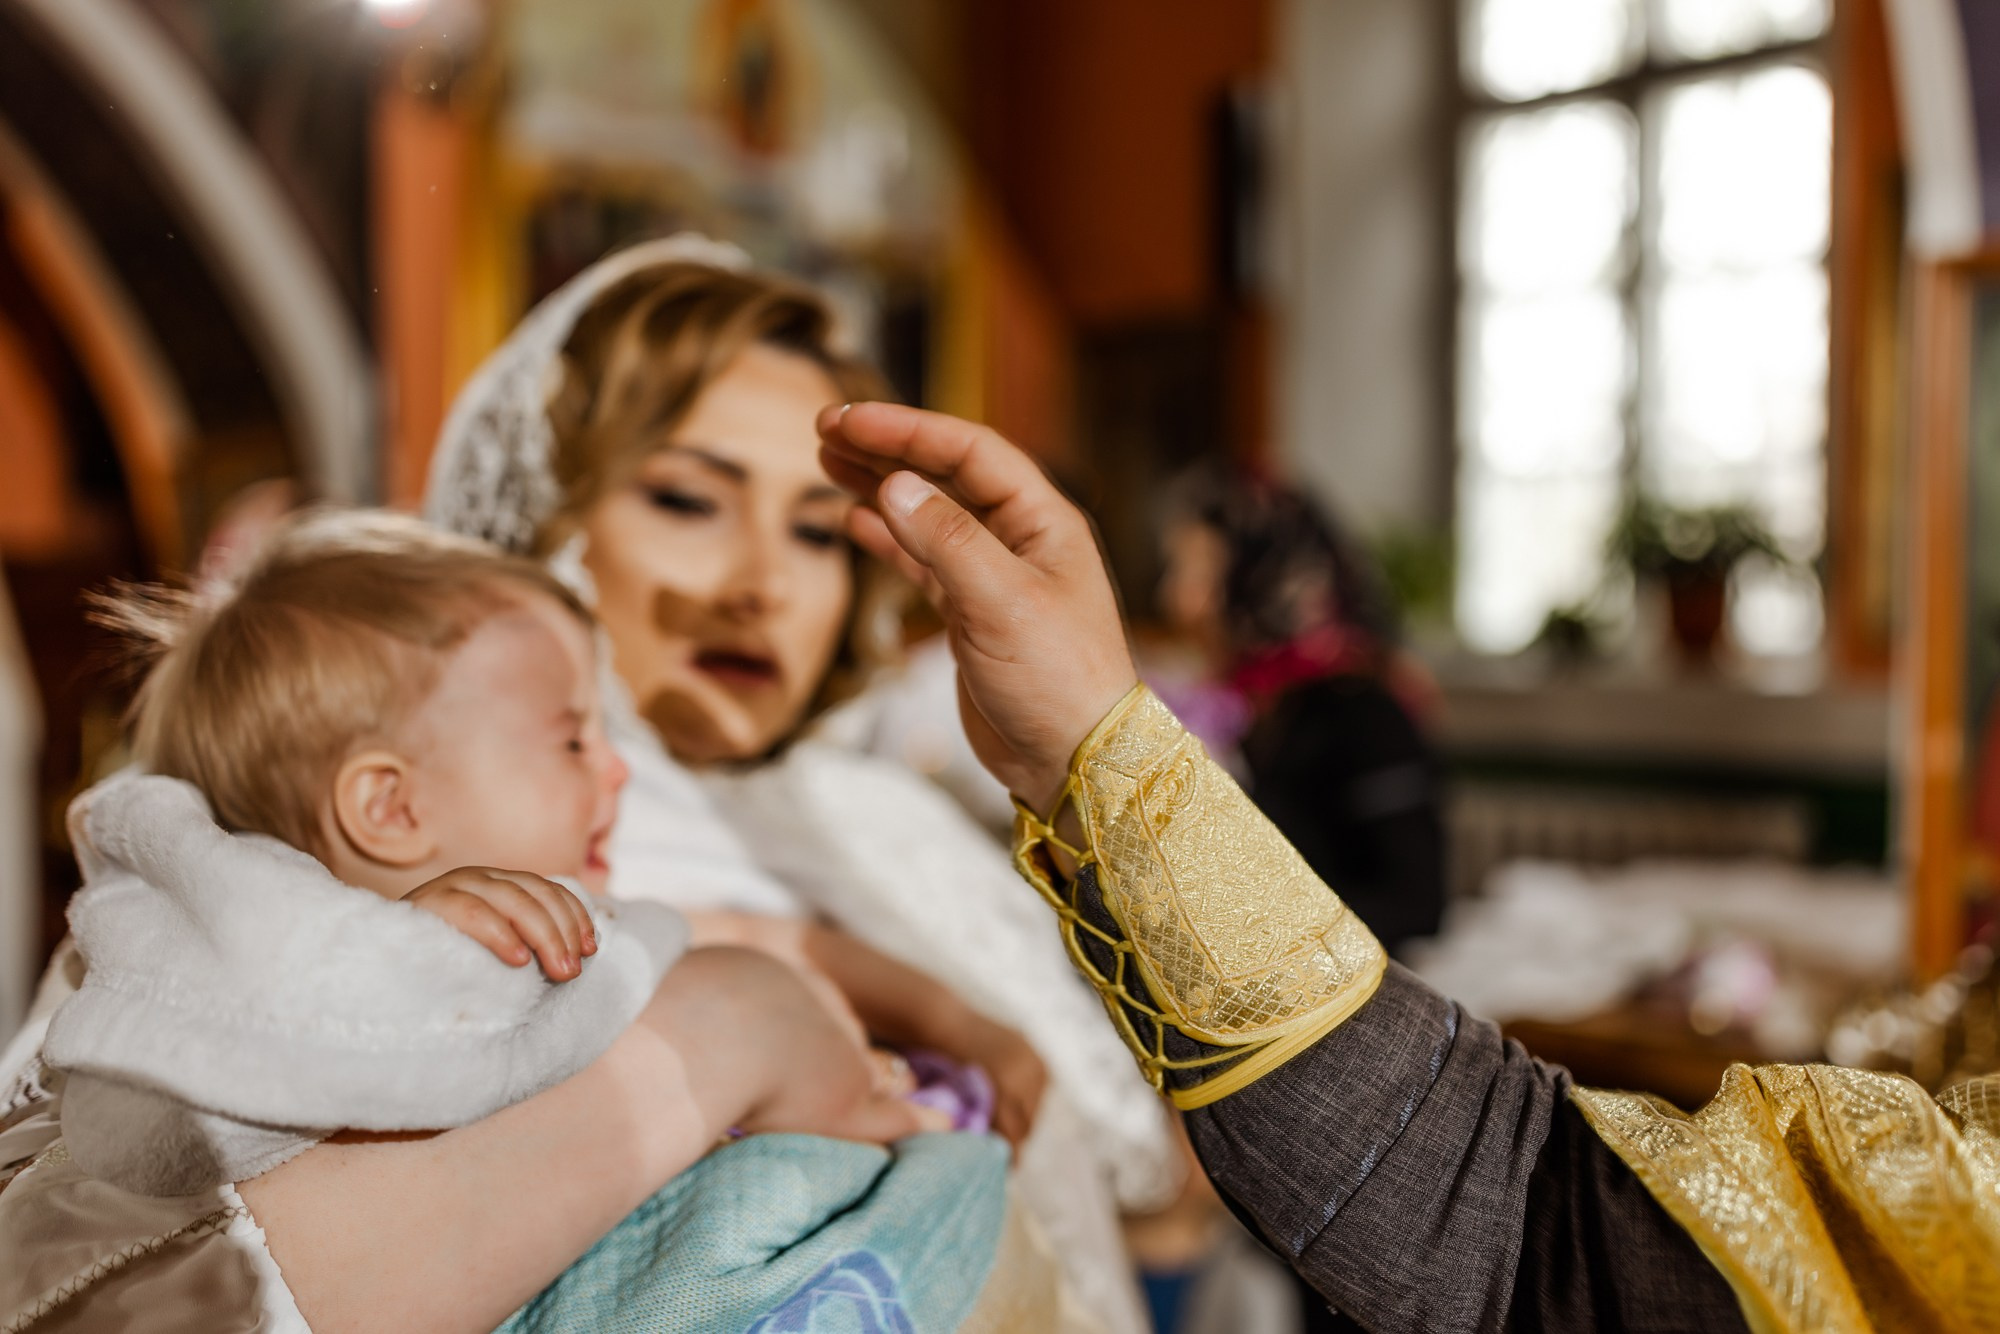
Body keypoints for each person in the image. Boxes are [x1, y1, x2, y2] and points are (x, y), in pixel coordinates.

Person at [815, 397, 2000, 1334]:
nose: (1176, 591)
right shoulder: (1255, 706)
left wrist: (1106, 762)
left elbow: (1543, 1225)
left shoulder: (1351, 706)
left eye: (1193, 564)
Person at [0, 512, 1071, 1332]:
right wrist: (410, 964)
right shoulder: (317, 945)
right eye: (568, 738)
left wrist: (965, 1024)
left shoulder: (572, 909)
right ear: (389, 806)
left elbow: (767, 936)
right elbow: (290, 1054)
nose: (614, 771)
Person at [423, 236, 1173, 1326]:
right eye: (687, 501)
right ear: (547, 524)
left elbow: (1138, 1183)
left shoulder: (882, 831)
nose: (763, 586)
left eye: (818, 532)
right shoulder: (437, 843)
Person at [1157, 470, 1445, 954]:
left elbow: (1416, 903)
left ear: (1262, 581)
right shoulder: (1237, 706)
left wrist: (1251, 931)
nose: (1172, 598)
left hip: (1347, 986)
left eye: (1194, 573)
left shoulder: (1362, 709)